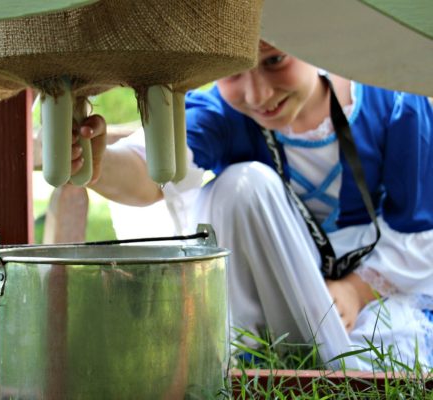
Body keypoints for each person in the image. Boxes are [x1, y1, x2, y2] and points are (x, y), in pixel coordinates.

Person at [70, 41, 433, 370]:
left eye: (274, 60)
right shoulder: (226, 116)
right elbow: (154, 170)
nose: (258, 94)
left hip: (376, 289)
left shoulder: (394, 102)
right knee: (240, 187)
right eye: (231, 71)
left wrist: (356, 290)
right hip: (277, 298)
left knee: (383, 350)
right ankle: (255, 357)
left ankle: (322, 367)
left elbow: (421, 229)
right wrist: (98, 165)